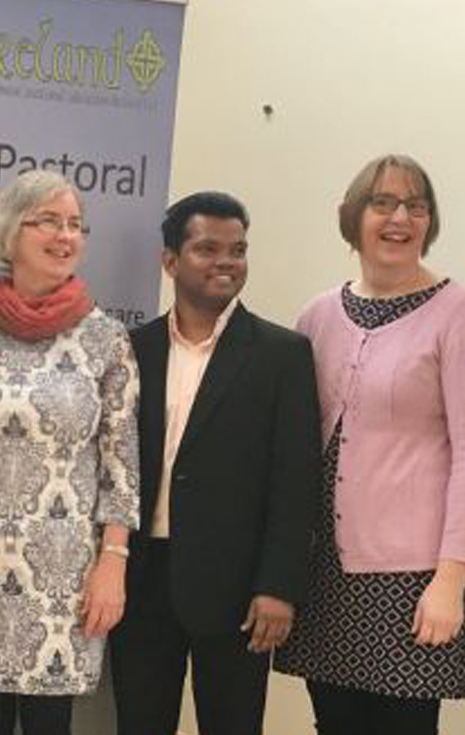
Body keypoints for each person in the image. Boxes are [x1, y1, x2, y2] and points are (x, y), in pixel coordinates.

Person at [273, 155, 465, 735]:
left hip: (416, 581)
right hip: (324, 573)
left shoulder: (463, 315)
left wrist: (451, 581)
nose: (400, 217)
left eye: (416, 205)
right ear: (352, 217)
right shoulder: (317, 315)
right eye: (383, 203)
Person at [0, 169, 140, 735]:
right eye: (48, 221)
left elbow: (122, 464)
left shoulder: (105, 337)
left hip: (65, 579)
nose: (65, 235)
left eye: (75, 224)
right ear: (9, 233)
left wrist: (113, 565)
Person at [110, 191, 321, 735]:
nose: (226, 261)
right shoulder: (131, 349)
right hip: (142, 581)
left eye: (238, 250)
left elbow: (294, 481)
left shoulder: (282, 355)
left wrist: (278, 585)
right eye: (208, 249)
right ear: (170, 261)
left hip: (237, 590)